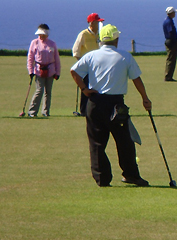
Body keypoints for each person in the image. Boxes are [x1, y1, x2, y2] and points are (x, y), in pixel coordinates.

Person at [70, 24, 152, 187]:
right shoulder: (125, 56)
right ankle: (131, 175)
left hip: (94, 103)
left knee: (97, 143)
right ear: (116, 39)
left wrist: (84, 90)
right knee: (125, 142)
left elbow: (74, 71)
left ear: (101, 39)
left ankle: (102, 179)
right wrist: (145, 98)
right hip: (116, 105)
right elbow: (136, 79)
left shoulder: (91, 55)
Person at [72, 13, 105, 115]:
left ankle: (97, 109)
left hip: (98, 67)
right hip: (87, 67)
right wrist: (82, 65)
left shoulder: (100, 34)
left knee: (98, 87)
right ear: (91, 23)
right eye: (97, 22)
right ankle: (84, 110)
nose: (99, 23)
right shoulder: (83, 34)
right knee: (85, 87)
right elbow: (75, 51)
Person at [27, 24, 61, 117]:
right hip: (38, 70)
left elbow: (57, 59)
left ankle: (46, 112)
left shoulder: (52, 43)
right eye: (40, 34)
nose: (41, 36)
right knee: (39, 90)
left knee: (48, 92)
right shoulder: (34, 42)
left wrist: (58, 72)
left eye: (43, 34)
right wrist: (30, 71)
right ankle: (32, 111)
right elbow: (30, 58)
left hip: (51, 71)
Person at [163, 6, 177, 81]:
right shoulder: (169, 21)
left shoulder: (167, 20)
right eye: (174, 12)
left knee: (170, 59)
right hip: (171, 42)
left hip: (169, 41)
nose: (175, 14)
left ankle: (169, 76)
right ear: (171, 13)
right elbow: (171, 33)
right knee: (171, 60)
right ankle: (168, 77)